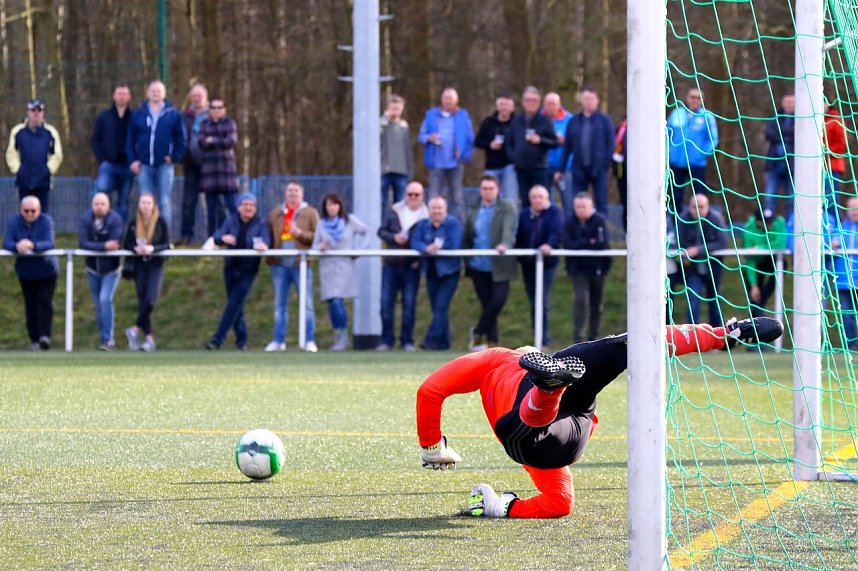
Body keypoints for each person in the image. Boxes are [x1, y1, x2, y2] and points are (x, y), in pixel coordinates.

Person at [415, 317, 784, 518]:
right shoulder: (505, 358)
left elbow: (430, 390)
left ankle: (549, 388)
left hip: (543, 427)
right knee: (623, 345)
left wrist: (434, 447)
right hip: (569, 416)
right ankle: (723, 334)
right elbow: (559, 503)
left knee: (528, 423)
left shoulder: (494, 360)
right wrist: (502, 506)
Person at [206, 193, 270, 350]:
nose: (248, 208)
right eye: (245, 204)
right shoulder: (231, 220)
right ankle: (242, 341)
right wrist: (223, 238)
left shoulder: (261, 223)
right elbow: (218, 235)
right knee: (236, 306)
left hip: (248, 270)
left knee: (233, 303)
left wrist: (263, 247)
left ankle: (217, 339)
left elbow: (266, 241)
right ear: (239, 207)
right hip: (230, 268)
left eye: (251, 205)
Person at [463, 175, 518, 351]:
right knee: (487, 304)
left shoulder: (506, 207)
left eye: (491, 188)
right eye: (484, 188)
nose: (487, 192)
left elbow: (509, 229)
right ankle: (493, 342)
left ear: (497, 190)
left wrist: (505, 244)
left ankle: (478, 332)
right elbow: (469, 235)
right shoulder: (474, 209)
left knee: (498, 300)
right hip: (478, 265)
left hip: (500, 265)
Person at [265, 180, 320, 353]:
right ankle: (278, 340)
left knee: (307, 303)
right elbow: (267, 235)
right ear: (285, 193)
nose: (293, 194)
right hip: (279, 264)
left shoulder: (310, 213)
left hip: (301, 264)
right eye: (290, 191)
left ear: (302, 194)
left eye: (296, 191)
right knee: (279, 304)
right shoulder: (276, 213)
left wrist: (301, 234)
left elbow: (317, 236)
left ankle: (309, 340)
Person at [127, 80, 186, 232]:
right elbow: (130, 140)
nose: (156, 93)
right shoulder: (138, 114)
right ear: (147, 93)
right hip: (144, 165)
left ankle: (164, 236)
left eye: (159, 90)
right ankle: (145, 235)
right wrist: (133, 161)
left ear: (164, 94)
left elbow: (181, 139)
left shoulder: (172, 114)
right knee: (145, 201)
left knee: (164, 201)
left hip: (165, 166)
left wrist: (174, 157)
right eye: (153, 90)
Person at [377, 180, 429, 352]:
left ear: (422, 196)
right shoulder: (394, 211)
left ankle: (407, 340)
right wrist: (394, 238)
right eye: (410, 194)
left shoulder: (426, 216)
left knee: (409, 305)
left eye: (417, 194)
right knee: (386, 305)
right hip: (391, 265)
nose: (413, 197)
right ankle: (387, 340)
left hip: (411, 267)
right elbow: (381, 231)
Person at [313, 193, 369, 351]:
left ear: (339, 206)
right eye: (328, 205)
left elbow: (367, 231)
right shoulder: (321, 224)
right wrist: (320, 248)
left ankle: (342, 336)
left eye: (334, 204)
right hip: (328, 268)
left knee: (338, 301)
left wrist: (359, 251)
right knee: (332, 302)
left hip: (345, 267)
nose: (331, 208)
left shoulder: (349, 221)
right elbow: (314, 245)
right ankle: (338, 335)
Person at [3, 196, 57, 350]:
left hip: (46, 270)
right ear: (21, 210)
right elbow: (7, 242)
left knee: (45, 302)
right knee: (30, 305)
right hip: (26, 272)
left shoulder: (46, 221)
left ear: (39, 210)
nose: (29, 214)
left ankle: (45, 336)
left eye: (33, 211)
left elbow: (49, 242)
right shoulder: (14, 222)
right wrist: (17, 245)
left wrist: (33, 245)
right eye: (26, 211)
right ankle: (34, 339)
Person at [515, 185, 564, 349]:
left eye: (540, 197)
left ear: (547, 198)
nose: (537, 200)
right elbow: (520, 237)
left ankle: (544, 339)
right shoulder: (524, 215)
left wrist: (548, 245)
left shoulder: (555, 213)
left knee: (541, 301)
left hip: (546, 264)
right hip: (528, 264)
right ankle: (538, 336)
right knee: (533, 301)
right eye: (534, 197)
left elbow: (556, 233)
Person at [411, 196, 463, 350]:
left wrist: (438, 247)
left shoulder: (453, 223)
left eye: (439, 208)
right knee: (438, 309)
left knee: (440, 307)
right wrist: (426, 248)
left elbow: (454, 243)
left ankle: (429, 341)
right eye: (433, 208)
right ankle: (444, 343)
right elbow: (414, 241)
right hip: (431, 274)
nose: (436, 211)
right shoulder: (423, 225)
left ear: (445, 209)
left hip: (449, 273)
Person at [417, 87, 474, 221]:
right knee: (434, 197)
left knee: (457, 197)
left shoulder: (463, 116)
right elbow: (421, 136)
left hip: (456, 162)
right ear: (441, 100)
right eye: (446, 98)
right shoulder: (431, 115)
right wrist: (429, 138)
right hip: (436, 163)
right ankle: (432, 225)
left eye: (451, 98)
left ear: (456, 100)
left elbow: (470, 138)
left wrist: (464, 155)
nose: (448, 101)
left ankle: (457, 228)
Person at [123, 193, 170, 352]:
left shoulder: (161, 222)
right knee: (143, 300)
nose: (145, 205)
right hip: (138, 266)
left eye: (148, 202)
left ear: (153, 205)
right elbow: (126, 244)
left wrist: (152, 249)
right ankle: (149, 340)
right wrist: (135, 249)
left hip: (155, 264)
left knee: (151, 300)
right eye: (143, 202)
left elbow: (166, 244)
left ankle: (135, 330)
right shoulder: (132, 224)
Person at [78, 192, 124, 350]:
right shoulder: (86, 219)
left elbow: (115, 242)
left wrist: (103, 246)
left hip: (111, 269)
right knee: (98, 304)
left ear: (108, 205)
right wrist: (103, 246)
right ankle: (103, 337)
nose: (99, 207)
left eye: (102, 204)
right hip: (92, 268)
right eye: (96, 204)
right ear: (92, 205)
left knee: (105, 299)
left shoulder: (115, 219)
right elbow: (83, 243)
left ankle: (108, 339)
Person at [559, 88, 615, 214]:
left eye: (591, 99)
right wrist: (561, 169)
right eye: (585, 99)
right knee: (577, 202)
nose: (588, 102)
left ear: (597, 101)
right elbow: (567, 146)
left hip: (599, 169)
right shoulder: (573, 121)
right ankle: (578, 232)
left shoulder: (605, 121)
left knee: (601, 202)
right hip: (578, 169)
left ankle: (600, 231)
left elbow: (611, 144)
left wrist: (605, 164)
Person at [564, 193, 611, 343]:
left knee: (597, 305)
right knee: (580, 301)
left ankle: (593, 338)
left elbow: (602, 245)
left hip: (598, 269)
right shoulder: (570, 222)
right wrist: (588, 242)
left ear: (591, 207)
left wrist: (581, 243)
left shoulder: (599, 221)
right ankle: (579, 339)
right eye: (577, 206)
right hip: (578, 270)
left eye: (583, 206)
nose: (580, 210)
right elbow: (567, 244)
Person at [676, 193, 726, 325]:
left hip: (713, 267)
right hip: (692, 268)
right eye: (694, 207)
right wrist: (686, 252)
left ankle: (718, 335)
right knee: (693, 299)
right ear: (689, 206)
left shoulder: (716, 218)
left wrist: (699, 249)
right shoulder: (683, 219)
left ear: (708, 207)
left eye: (701, 207)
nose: (697, 210)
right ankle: (692, 335)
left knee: (714, 300)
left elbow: (722, 242)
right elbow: (679, 242)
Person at [5, 99, 63, 213]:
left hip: (43, 181)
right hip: (24, 181)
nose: (36, 114)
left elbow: (57, 155)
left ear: (43, 113)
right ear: (28, 112)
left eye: (39, 111)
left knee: (43, 214)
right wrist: (19, 170)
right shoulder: (17, 131)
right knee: (25, 213)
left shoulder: (51, 132)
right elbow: (11, 153)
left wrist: (48, 170)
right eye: (33, 111)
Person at [506, 86, 558, 208]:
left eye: (534, 100)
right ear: (523, 102)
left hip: (539, 168)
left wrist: (540, 140)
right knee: (525, 201)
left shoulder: (545, 121)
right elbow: (508, 142)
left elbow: (554, 142)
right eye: (528, 100)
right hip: (521, 168)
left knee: (542, 202)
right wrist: (513, 158)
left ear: (539, 103)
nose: (531, 103)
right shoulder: (516, 120)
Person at [667, 86, 719, 209]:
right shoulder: (676, 113)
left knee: (699, 197)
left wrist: (701, 154)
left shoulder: (707, 117)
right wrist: (669, 153)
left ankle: (700, 226)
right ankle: (675, 225)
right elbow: (666, 134)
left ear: (702, 100)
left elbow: (713, 139)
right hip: (676, 163)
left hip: (697, 164)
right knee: (675, 196)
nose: (695, 100)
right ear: (687, 98)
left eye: (698, 98)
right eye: (692, 97)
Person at [91, 85, 134, 222]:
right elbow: (95, 140)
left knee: (124, 201)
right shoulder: (104, 117)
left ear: (129, 97)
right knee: (100, 195)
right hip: (108, 165)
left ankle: (119, 233)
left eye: (124, 94)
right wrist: (102, 159)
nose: (121, 96)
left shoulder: (135, 117)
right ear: (114, 96)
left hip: (128, 166)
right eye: (119, 93)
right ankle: (98, 228)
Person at [198, 95, 239, 238]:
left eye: (219, 107)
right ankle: (212, 238)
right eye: (213, 107)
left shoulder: (230, 123)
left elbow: (230, 142)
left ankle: (237, 236)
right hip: (210, 174)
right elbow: (201, 143)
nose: (216, 110)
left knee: (233, 208)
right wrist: (218, 141)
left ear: (224, 109)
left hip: (226, 173)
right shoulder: (204, 124)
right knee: (211, 210)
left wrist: (212, 140)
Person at [741, 207, 787, 320]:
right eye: (766, 223)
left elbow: (780, 244)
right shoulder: (748, 230)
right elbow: (750, 260)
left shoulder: (779, 222)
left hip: (772, 260)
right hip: (756, 263)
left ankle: (760, 306)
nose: (770, 225)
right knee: (754, 295)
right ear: (758, 222)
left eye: (771, 221)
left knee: (782, 265)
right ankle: (755, 324)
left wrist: (761, 247)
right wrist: (753, 285)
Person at [179, 83, 210, 243]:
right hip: (190, 164)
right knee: (188, 201)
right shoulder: (185, 116)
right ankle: (186, 235)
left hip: (211, 165)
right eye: (194, 96)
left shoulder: (213, 114)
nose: (197, 99)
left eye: (200, 96)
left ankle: (217, 235)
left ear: (206, 97)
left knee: (214, 201)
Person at [474, 93, 518, 204]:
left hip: (511, 165)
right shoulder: (488, 122)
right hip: (492, 166)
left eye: (507, 105)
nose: (505, 108)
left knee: (510, 198)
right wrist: (490, 145)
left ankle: (510, 221)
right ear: (497, 106)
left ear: (512, 107)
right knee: (489, 198)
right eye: (502, 104)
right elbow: (478, 141)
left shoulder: (518, 122)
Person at [763, 94, 795, 220]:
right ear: (782, 104)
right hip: (774, 164)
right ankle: (768, 223)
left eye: (791, 103)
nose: (789, 105)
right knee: (769, 197)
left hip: (792, 165)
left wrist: (781, 132)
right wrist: (788, 133)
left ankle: (790, 223)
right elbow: (769, 133)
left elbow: (798, 133)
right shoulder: (775, 117)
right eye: (787, 102)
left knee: (791, 198)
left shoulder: (800, 118)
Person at [380, 94, 413, 213]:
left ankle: (397, 228)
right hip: (383, 171)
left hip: (401, 171)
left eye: (397, 109)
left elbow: (407, 150)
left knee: (400, 204)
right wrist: (385, 118)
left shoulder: (404, 127)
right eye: (392, 108)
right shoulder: (381, 125)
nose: (395, 111)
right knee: (381, 202)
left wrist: (409, 170)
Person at [833, 196, 858, 350]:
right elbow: (827, 243)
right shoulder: (839, 229)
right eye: (852, 208)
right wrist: (831, 244)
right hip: (843, 282)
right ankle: (850, 346)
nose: (855, 211)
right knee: (846, 316)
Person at [542, 92, 572, 217]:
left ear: (559, 104)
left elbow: (577, 141)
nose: (551, 107)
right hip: (543, 167)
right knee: (545, 204)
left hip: (566, 167)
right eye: (548, 104)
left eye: (553, 104)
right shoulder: (539, 119)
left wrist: (566, 140)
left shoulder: (570, 119)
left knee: (568, 203)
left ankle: (569, 234)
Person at [824, 104, 847, 216]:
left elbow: (841, 146)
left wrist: (824, 151)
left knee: (830, 196)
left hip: (832, 165)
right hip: (814, 166)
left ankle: (836, 225)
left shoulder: (836, 120)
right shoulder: (810, 120)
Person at [613, 118, 628, 230]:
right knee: (626, 204)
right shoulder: (621, 128)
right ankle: (627, 232)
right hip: (623, 173)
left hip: (641, 174)